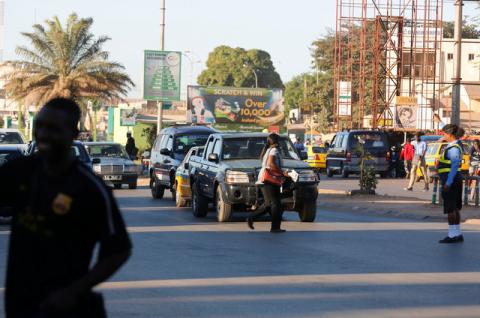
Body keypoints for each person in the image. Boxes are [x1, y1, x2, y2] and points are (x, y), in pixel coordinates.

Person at [0, 98, 132, 317]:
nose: (43, 134)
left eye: (53, 129)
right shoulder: (20, 170)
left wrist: (73, 291)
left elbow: (119, 250)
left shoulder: (89, 188)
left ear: (73, 134)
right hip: (20, 305)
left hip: (67, 310)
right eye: (39, 126)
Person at [247, 133, 288, 233]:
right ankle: (275, 227)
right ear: (277, 141)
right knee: (276, 204)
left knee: (268, 204)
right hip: (270, 179)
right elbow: (271, 164)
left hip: (264, 179)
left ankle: (252, 218)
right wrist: (282, 172)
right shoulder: (273, 150)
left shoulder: (268, 150)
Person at [437, 124, 465, 243]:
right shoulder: (455, 145)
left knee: (450, 208)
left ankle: (452, 235)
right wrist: (439, 121)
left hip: (451, 180)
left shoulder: (453, 149)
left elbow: (454, 166)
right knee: (455, 208)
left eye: (444, 133)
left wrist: (448, 183)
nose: (443, 135)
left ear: (450, 135)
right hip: (455, 179)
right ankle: (457, 234)